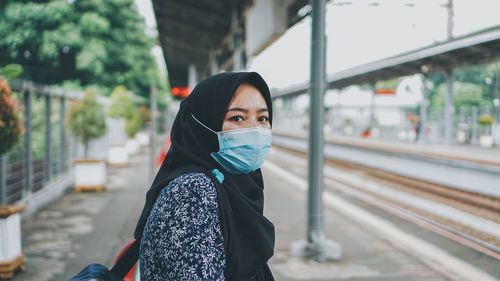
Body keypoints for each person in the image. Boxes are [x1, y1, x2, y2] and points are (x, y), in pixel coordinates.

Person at [136, 72, 276, 280]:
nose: (255, 129)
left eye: (263, 118)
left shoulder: (234, 184)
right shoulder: (193, 191)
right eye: (237, 117)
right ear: (202, 124)